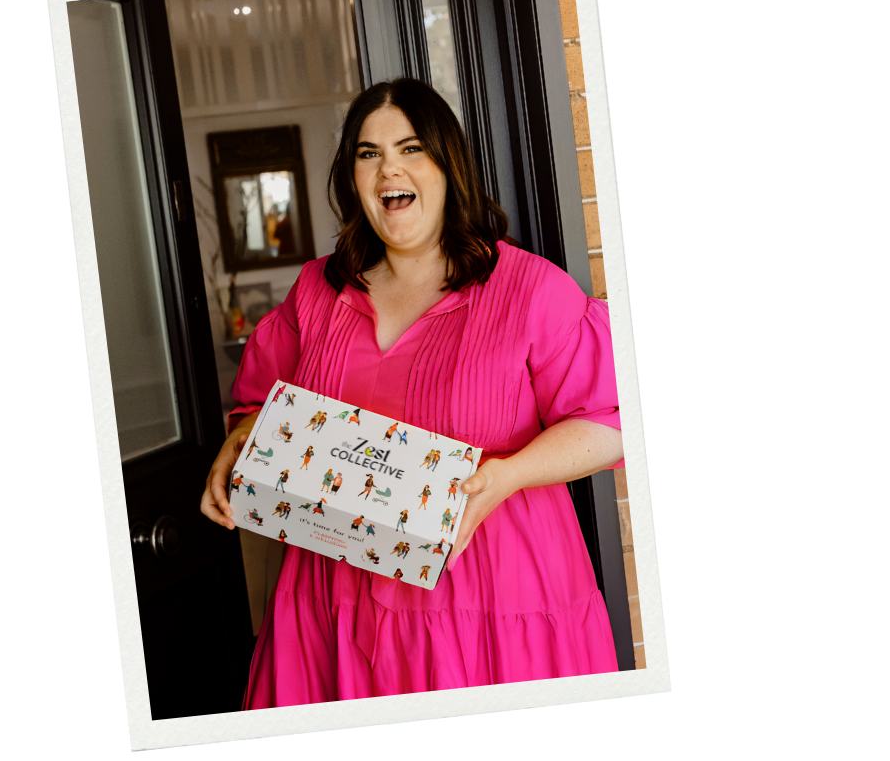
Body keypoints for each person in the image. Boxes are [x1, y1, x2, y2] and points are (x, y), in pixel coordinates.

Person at [201, 77, 624, 708]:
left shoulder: (531, 289)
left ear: (448, 165)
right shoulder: (318, 290)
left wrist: (506, 476)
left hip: (491, 594)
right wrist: (241, 441)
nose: (388, 168)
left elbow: (613, 420)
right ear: (352, 179)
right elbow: (262, 402)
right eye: (368, 153)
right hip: (335, 593)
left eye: (410, 148)